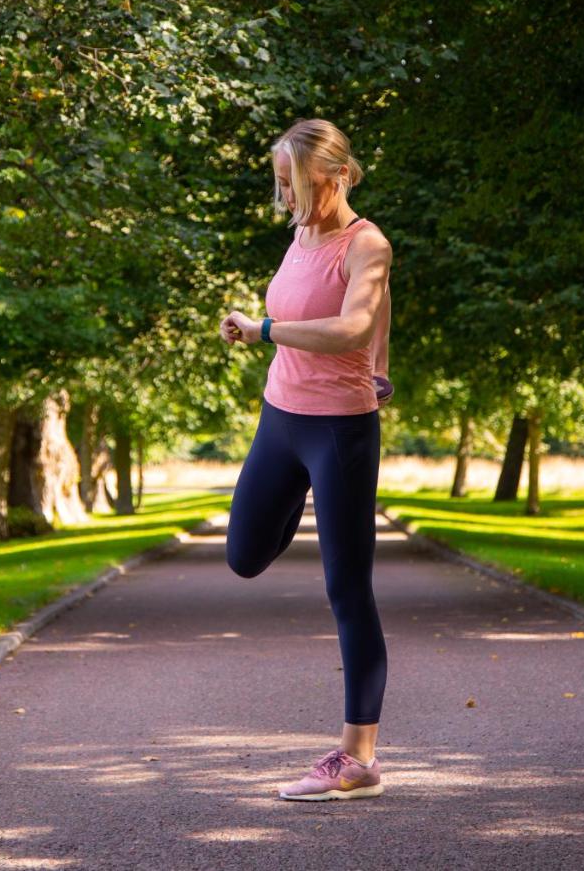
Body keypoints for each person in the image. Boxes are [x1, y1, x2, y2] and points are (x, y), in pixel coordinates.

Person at [220, 117, 393, 801]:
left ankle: (359, 757)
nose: (285, 196)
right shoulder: (299, 237)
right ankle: (304, 496)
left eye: (292, 183)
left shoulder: (367, 243)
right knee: (242, 552)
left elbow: (356, 321)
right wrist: (383, 363)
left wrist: (263, 329)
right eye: (279, 183)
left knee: (347, 587)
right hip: (280, 418)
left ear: (335, 176)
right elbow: (379, 325)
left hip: (340, 431)